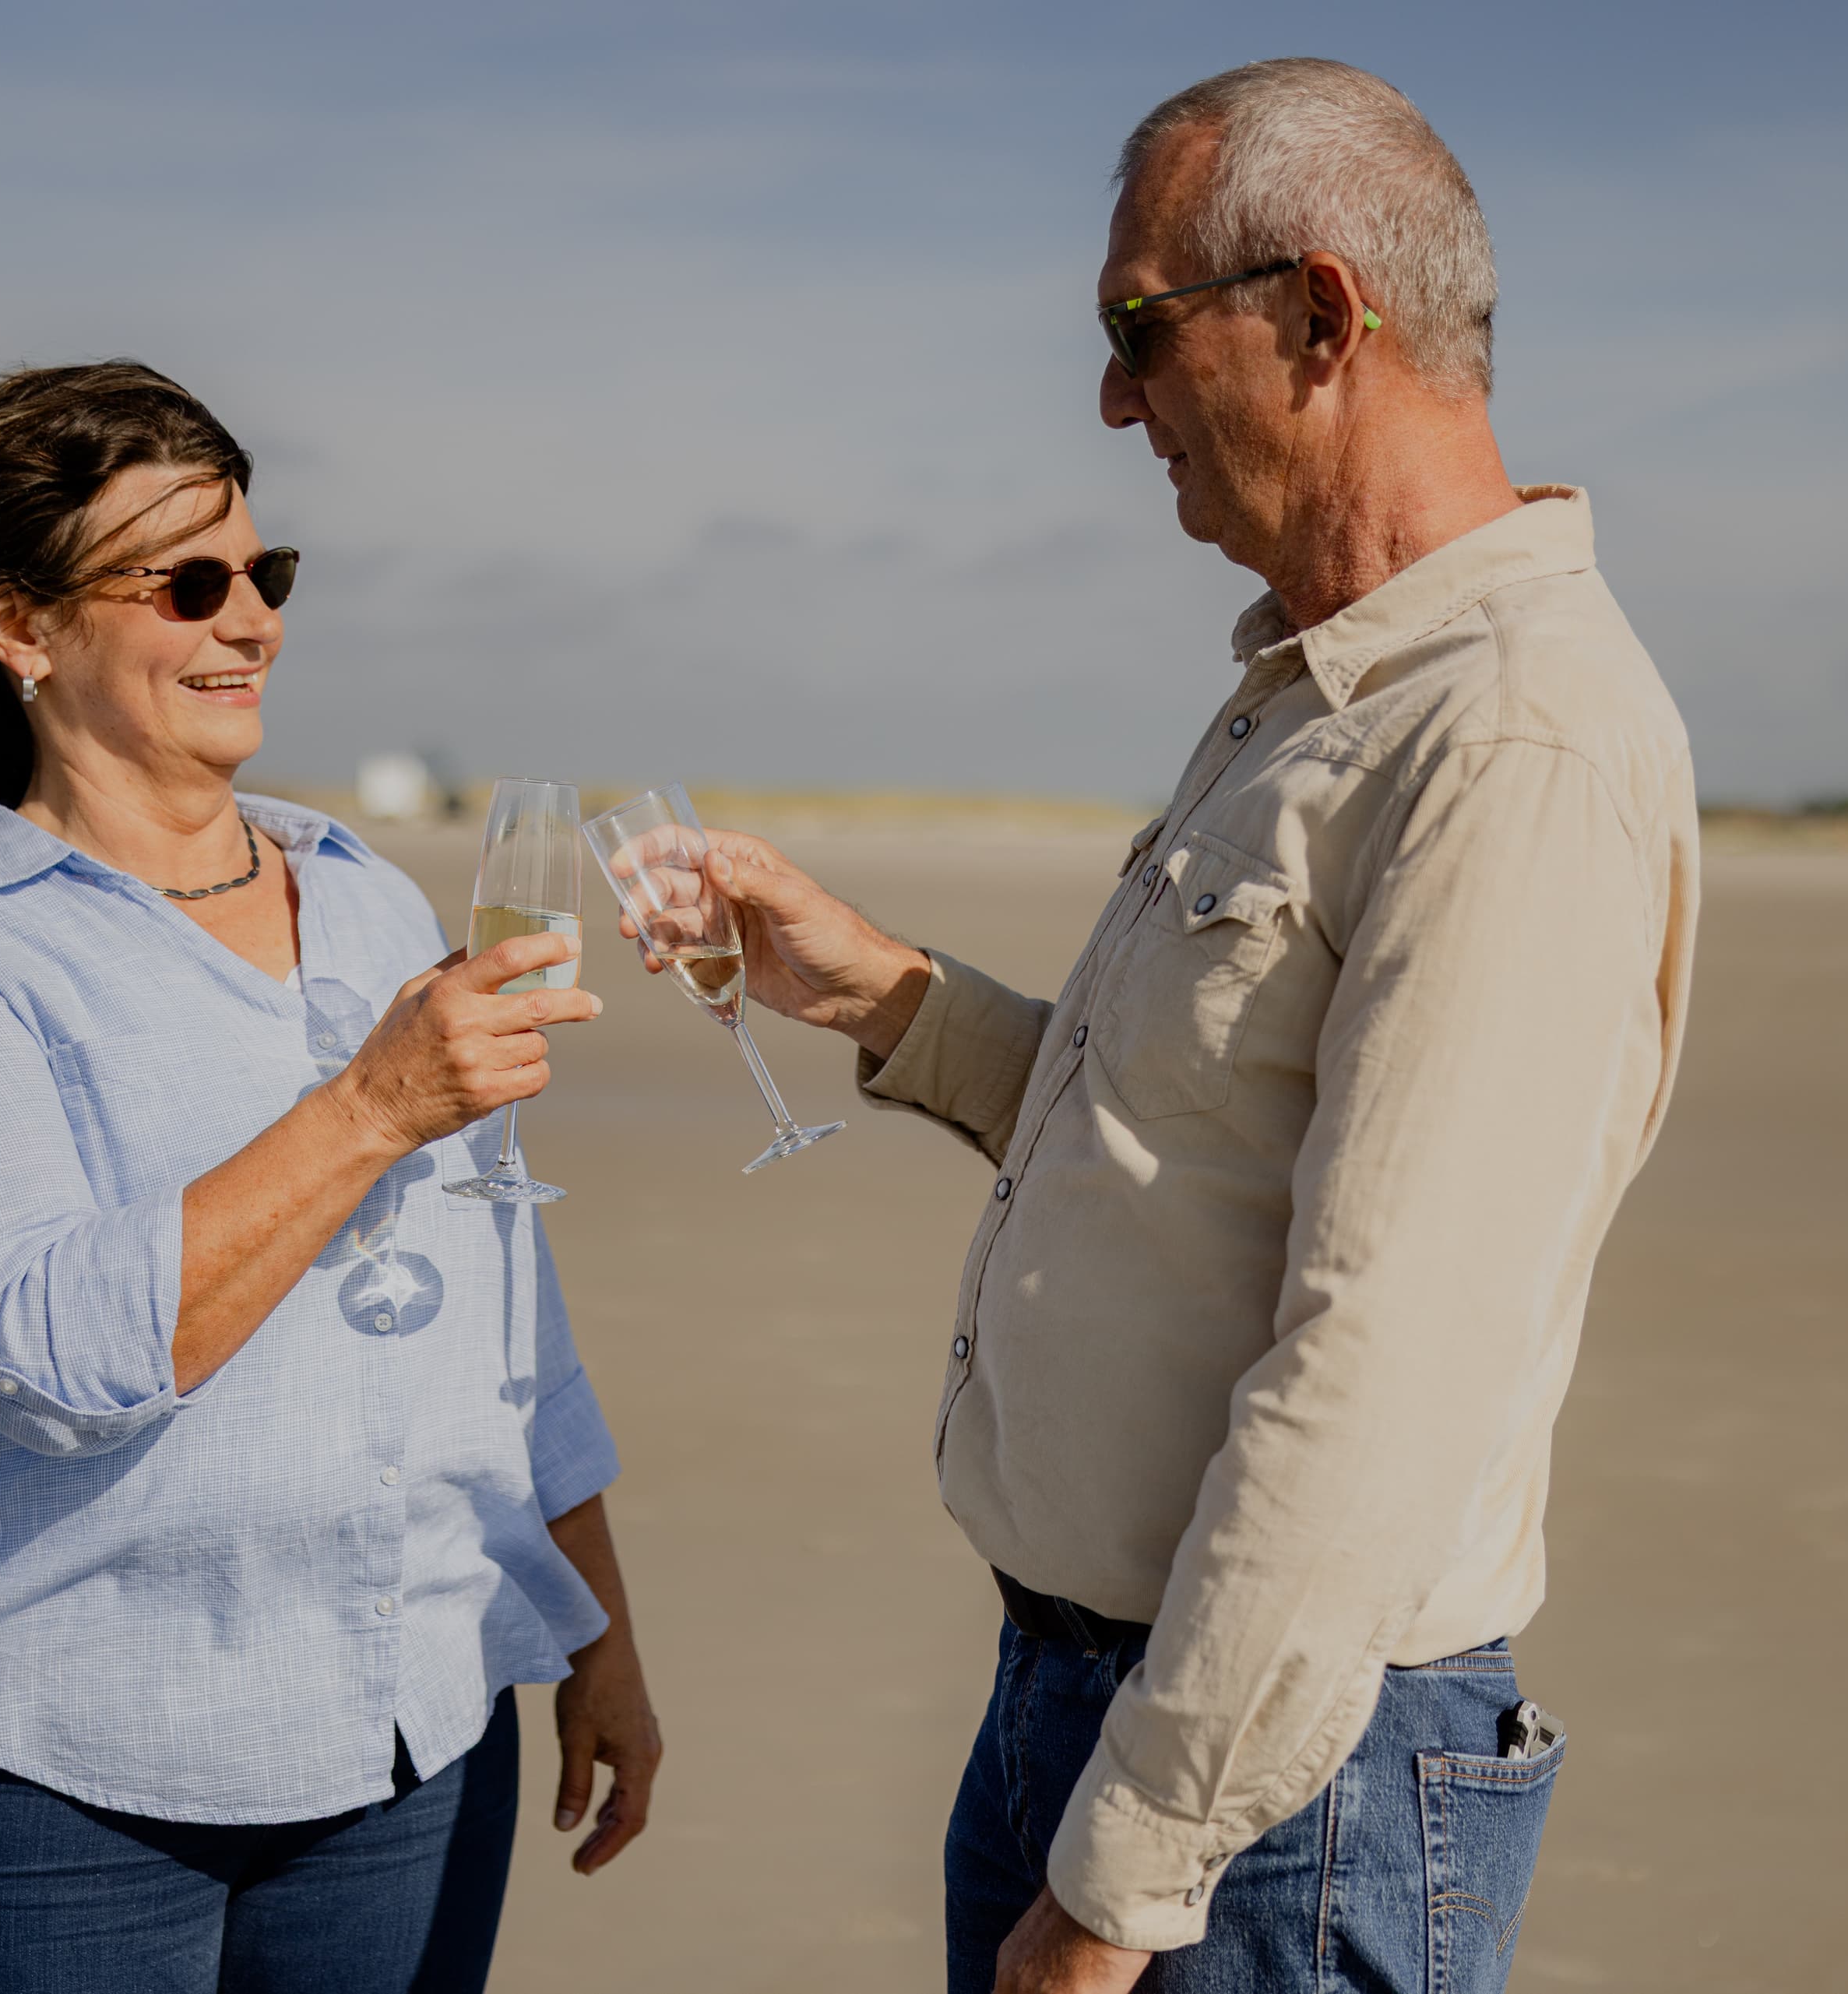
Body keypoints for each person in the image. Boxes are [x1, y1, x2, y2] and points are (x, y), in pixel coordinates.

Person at [646, 61, 1697, 1993]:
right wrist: (873, 989)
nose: (1112, 402)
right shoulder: (1320, 689)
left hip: (1275, 1795)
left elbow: (1389, 1363)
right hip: (1105, 1706)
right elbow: (1185, 1142)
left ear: (1318, 316)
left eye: (1137, 330)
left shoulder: (1512, 731)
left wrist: (1131, 1876)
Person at [0, 361, 659, 1993]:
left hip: (413, 1743)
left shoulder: (368, 898)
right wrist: (372, 1105)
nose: (252, 623)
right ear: (21, 629)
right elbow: (48, 1358)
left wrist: (595, 1629)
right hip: (42, 1777)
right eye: (191, 582)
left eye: (264, 574)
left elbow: (508, 1302)